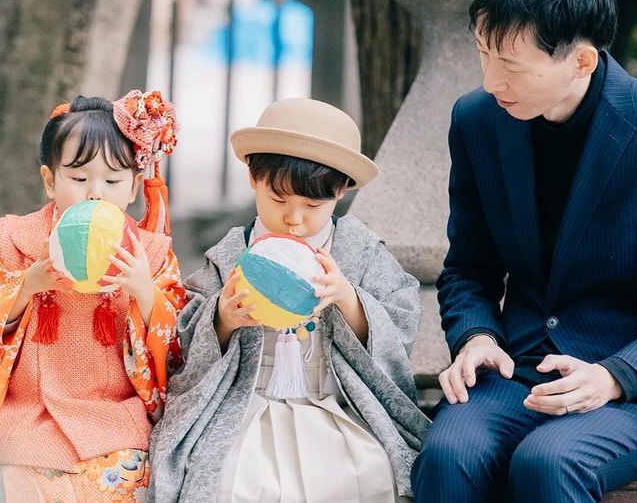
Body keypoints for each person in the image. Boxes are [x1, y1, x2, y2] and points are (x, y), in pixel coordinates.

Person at [412, 0, 637, 503]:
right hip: (522, 374)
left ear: (582, 60)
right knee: (446, 456)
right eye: (483, 55)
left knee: (548, 462)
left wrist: (614, 375)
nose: (492, 82)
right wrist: (478, 336)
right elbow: (469, 268)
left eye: (511, 64)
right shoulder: (477, 121)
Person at [149, 97, 430, 503]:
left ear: (342, 190)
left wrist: (349, 300)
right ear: (253, 178)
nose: (294, 219)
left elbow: (400, 321)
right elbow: (186, 335)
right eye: (278, 200)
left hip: (337, 404)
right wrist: (223, 319)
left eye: (313, 205)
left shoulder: (358, 251)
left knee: (370, 474)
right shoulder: (232, 253)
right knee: (227, 479)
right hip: (247, 405)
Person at [0, 90, 186, 502]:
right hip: (29, 413)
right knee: (18, 486)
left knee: (126, 484)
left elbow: (177, 340)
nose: (95, 193)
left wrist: (143, 291)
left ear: (134, 186)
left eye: (113, 181)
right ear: (50, 181)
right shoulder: (20, 242)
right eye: (79, 179)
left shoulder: (149, 254)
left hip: (113, 418)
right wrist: (27, 286)